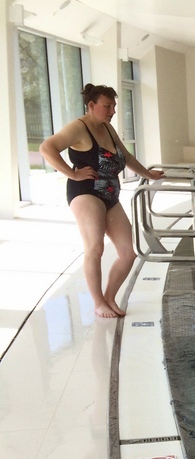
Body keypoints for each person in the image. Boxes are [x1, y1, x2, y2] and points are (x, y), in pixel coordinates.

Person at [39, 84, 165, 319]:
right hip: (86, 192)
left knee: (128, 253)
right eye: (107, 106)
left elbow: (126, 156)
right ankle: (98, 303)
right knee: (95, 248)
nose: (113, 111)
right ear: (91, 105)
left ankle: (109, 298)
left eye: (114, 106)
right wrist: (72, 173)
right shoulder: (79, 127)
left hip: (110, 195)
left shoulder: (107, 127)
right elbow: (47, 148)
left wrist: (148, 175)